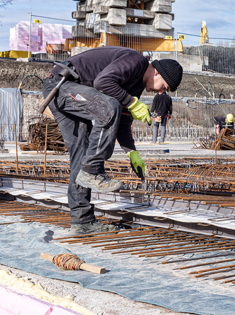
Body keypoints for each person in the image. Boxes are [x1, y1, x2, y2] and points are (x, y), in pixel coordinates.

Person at [42, 47, 183, 235]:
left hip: (69, 92)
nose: (162, 91)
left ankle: (82, 221)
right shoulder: (136, 61)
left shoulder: (136, 87)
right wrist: (132, 103)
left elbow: (123, 119)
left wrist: (132, 152)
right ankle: (92, 171)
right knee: (110, 106)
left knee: (82, 155)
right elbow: (103, 82)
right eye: (164, 86)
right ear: (157, 72)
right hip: (60, 86)